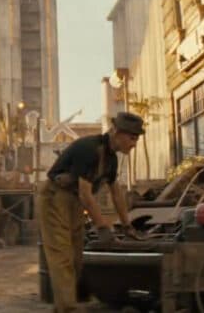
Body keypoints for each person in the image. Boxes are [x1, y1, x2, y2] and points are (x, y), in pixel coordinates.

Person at [38, 111, 145, 312]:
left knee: (76, 257)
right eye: (132, 138)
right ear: (117, 133)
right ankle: (68, 308)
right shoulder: (89, 149)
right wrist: (103, 227)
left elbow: (116, 193)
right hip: (55, 197)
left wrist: (127, 225)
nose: (134, 144)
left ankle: (64, 305)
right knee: (62, 256)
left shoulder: (111, 159)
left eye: (136, 139)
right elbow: (86, 195)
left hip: (74, 200)